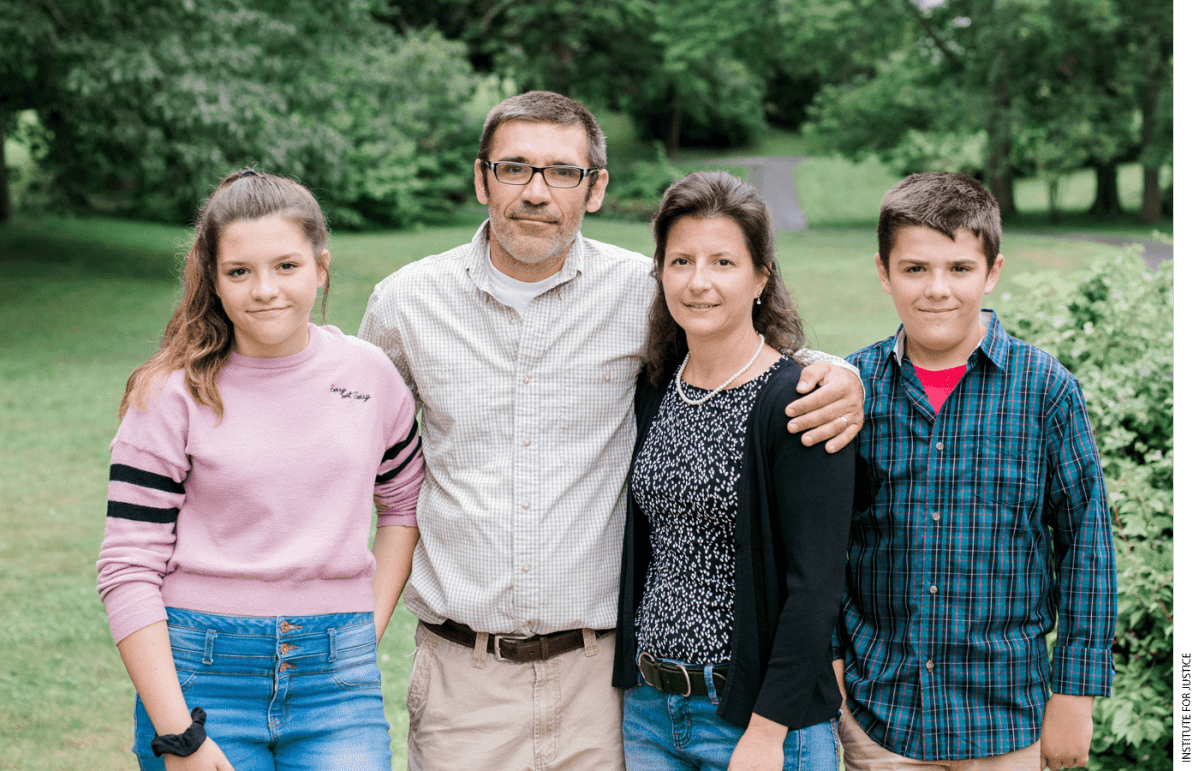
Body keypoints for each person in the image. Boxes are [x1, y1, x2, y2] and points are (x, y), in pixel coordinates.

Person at [357, 91, 864, 771]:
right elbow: (345, 447)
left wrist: (833, 371)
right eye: (514, 168)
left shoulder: (641, 291)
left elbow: (736, 346)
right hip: (462, 682)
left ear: (594, 188)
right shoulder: (404, 302)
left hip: (600, 685)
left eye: (561, 172)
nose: (537, 191)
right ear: (481, 178)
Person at [97, 169, 424, 770]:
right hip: (201, 675)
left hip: (338, 682)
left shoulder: (370, 376)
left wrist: (361, 632)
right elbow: (127, 564)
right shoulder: (169, 394)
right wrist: (178, 735)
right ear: (214, 281)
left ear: (321, 268)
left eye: (287, 266)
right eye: (239, 272)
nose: (265, 289)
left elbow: (403, 505)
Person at [834, 172, 1118, 771]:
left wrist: (1075, 695)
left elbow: (1086, 544)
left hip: (1007, 717)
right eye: (915, 269)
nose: (937, 289)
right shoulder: (851, 388)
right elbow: (824, 544)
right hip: (880, 716)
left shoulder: (1046, 391)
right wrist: (833, 668)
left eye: (959, 268)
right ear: (884, 273)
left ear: (992, 272)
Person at [612, 171, 855, 771]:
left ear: (760, 278)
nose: (699, 282)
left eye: (723, 262)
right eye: (681, 261)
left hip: (755, 719)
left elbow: (815, 586)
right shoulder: (657, 390)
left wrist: (768, 732)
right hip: (650, 713)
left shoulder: (800, 402)